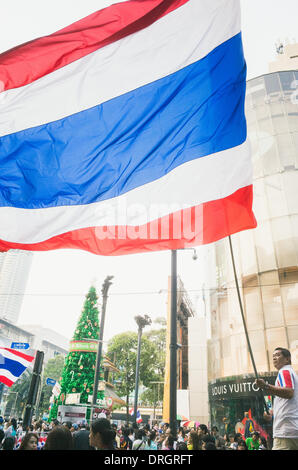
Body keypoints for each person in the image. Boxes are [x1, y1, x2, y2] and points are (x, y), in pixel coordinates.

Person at [256, 347, 298, 451]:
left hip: (286, 432)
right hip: (291, 430)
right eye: (273, 356)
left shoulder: (284, 371)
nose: (274, 358)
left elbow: (289, 393)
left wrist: (266, 386)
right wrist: (273, 413)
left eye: (278, 355)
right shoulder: (291, 373)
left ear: (287, 359)